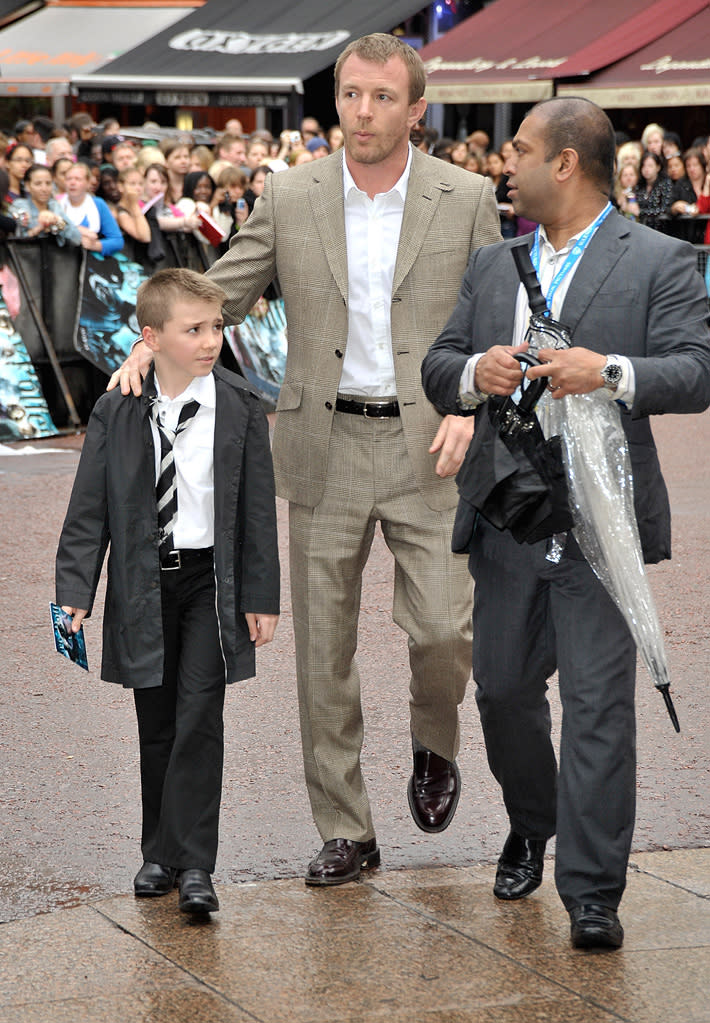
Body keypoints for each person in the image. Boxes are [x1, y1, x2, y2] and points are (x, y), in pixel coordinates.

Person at [110, 33, 501, 887]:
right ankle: (346, 826)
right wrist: (155, 339)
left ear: (415, 109)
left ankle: (434, 742)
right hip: (321, 444)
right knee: (323, 647)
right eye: (351, 94)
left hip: (432, 441)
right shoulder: (291, 195)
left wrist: (474, 406)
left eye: (381, 97)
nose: (362, 111)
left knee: (442, 627)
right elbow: (223, 288)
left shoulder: (466, 196)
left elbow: (494, 315)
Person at [421, 96, 710, 950]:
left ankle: (593, 891)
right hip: (509, 516)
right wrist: (479, 369)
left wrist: (610, 370)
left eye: (518, 151)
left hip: (605, 524)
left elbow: (696, 372)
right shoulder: (491, 264)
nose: (503, 165)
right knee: (504, 690)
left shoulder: (657, 258)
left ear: (566, 164)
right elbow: (440, 368)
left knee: (597, 707)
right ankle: (531, 820)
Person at [55, 268, 280, 916]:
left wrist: (260, 594)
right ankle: (158, 851)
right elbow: (87, 509)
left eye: (216, 327)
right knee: (156, 722)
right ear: (150, 337)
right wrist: (76, 590)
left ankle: (195, 864)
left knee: (200, 719)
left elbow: (258, 511)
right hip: (142, 583)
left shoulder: (238, 405)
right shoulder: (116, 407)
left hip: (211, 582)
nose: (211, 340)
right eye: (195, 329)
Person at [59, 161, 123, 256]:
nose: (72, 183)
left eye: (78, 179)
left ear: (88, 183)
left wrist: (95, 245)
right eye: (69, 179)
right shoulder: (56, 203)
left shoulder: (98, 204)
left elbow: (117, 240)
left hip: (90, 259)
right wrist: (78, 230)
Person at [10, 163, 81, 246]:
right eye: (38, 184)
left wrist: (57, 221)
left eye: (48, 183)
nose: (44, 189)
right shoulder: (20, 206)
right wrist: (40, 227)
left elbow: (77, 238)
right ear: (27, 186)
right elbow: (15, 238)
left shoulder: (54, 206)